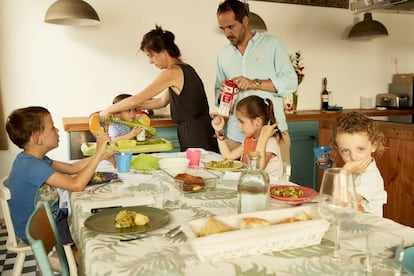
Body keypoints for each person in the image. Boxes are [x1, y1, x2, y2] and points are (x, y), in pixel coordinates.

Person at [5, 106, 115, 244]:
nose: (57, 130)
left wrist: (102, 156)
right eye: (52, 127)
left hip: (52, 218)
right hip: (40, 231)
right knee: (94, 234)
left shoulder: (32, 159)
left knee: (91, 217)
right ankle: (75, 260)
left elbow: (72, 167)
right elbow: (76, 185)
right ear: (37, 138)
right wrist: (98, 152)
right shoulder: (31, 166)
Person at [100, 25, 219, 153]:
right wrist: (131, 107)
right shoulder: (185, 68)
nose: (151, 61)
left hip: (194, 132)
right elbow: (161, 102)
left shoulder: (172, 72)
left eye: (151, 55)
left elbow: (135, 99)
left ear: (163, 51)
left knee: (199, 169)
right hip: (202, 128)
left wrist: (108, 110)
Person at [215, 0, 297, 165]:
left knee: (276, 187)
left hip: (271, 134)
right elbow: (218, 96)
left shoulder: (273, 44)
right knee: (232, 187)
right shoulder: (223, 56)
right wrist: (224, 94)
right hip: (236, 136)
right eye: (223, 29)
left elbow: (291, 82)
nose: (227, 33)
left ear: (245, 20)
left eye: (231, 27)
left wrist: (255, 83)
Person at [212, 95, 283, 178]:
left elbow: (257, 168)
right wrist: (219, 131)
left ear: (257, 122)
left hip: (269, 187)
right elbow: (229, 156)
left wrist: (263, 138)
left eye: (242, 122)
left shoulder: (270, 142)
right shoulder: (248, 140)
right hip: (252, 183)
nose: (239, 126)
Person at [330, 112, 387, 217]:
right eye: (345, 151)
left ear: (374, 146)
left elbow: (339, 202)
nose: (353, 157)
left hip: (368, 228)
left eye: (360, 149)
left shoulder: (371, 177)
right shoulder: (352, 170)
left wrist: (344, 171)